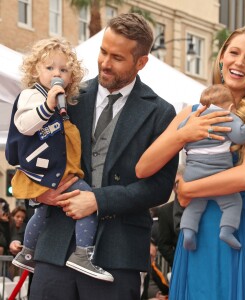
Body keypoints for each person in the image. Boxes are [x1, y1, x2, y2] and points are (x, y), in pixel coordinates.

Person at [18, 13, 205, 300]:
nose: (105, 62)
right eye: (103, 51)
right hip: (54, 247)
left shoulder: (161, 112)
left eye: (117, 57)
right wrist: (39, 194)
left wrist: (98, 200)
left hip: (119, 254)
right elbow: (28, 150)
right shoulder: (68, 95)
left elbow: (158, 188)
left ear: (141, 62)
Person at [136, 26, 245, 299]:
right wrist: (185, 134)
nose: (239, 62)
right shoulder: (193, 112)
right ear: (222, 57)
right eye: (234, 52)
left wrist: (187, 190)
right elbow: (144, 167)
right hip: (201, 232)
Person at [5, 37, 114, 281]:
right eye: (50, 68)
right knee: (86, 200)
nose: (57, 74)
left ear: (71, 76)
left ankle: (27, 252)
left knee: (41, 213)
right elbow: (24, 125)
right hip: (44, 170)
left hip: (53, 171)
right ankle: (82, 254)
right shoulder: (32, 96)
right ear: (35, 70)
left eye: (63, 70)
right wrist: (47, 105)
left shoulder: (62, 104)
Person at [179, 84, 245, 251]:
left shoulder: (193, 117)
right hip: (217, 173)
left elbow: (179, 132)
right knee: (233, 202)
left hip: (192, 173)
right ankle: (227, 231)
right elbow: (241, 136)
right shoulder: (227, 116)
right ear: (231, 107)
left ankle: (188, 232)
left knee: (195, 204)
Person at [157, 165, 185, 267]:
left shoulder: (201, 204)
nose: (175, 189)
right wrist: (178, 264)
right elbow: (164, 245)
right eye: (172, 185)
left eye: (177, 183)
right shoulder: (165, 211)